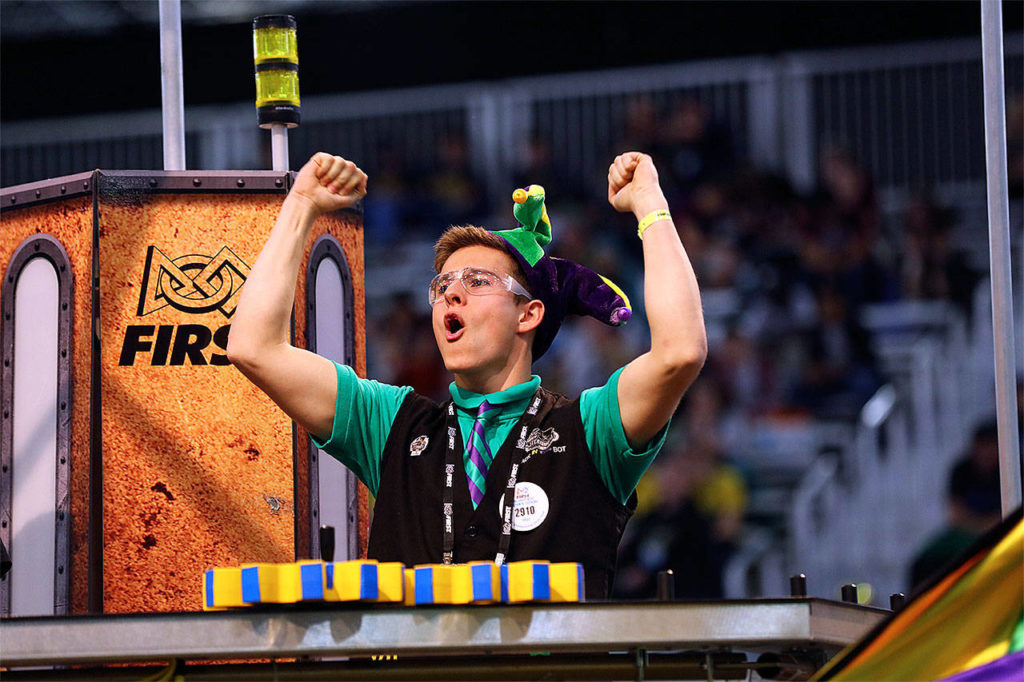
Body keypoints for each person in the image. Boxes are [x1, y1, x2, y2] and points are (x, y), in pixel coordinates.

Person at [227, 151, 707, 599]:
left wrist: (650, 204)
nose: (452, 294)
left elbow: (680, 351)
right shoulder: (390, 424)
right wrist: (302, 205)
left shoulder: (592, 427)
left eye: (478, 282)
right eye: (442, 285)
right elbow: (254, 347)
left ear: (529, 314)